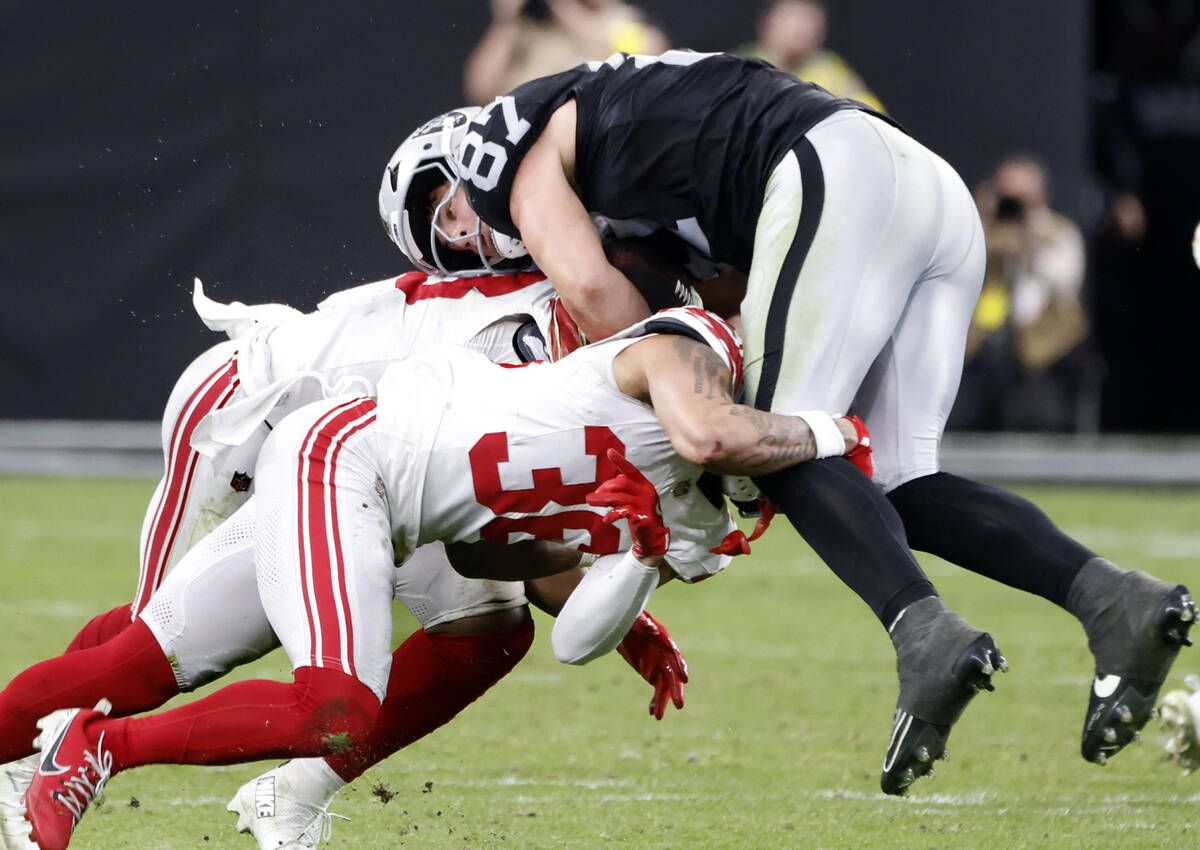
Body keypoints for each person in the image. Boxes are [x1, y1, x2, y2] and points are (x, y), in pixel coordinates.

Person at [379, 51, 1196, 794]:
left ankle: (927, 637)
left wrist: (660, 415)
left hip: (831, 168)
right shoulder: (629, 176)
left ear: (457, 158)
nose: (465, 235)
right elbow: (734, 287)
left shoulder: (506, 150)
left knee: (762, 443)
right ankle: (1116, 605)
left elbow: (601, 303)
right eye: (445, 244)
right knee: (896, 480)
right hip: (915, 187)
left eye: (444, 209)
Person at [21, 306, 870, 849]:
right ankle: (91, 747)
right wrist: (834, 431)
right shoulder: (688, 352)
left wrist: (637, 572)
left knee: (132, 665)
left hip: (400, 514)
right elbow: (712, 434)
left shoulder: (696, 511)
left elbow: (521, 589)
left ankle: (94, 750)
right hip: (346, 456)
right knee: (333, 711)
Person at [951, 154, 1097, 432]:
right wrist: (980, 220)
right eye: (1007, 197)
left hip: (1038, 364)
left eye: (1023, 200)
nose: (1013, 207)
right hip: (979, 360)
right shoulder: (978, 232)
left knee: (1034, 415)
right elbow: (956, 274)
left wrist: (1030, 244)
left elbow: (1065, 283)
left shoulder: (1059, 234)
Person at [463, 0, 668, 105]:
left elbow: (652, 53)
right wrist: (505, 21)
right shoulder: (528, 27)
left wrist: (564, 10)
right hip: (526, 137)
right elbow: (480, 89)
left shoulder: (620, 20)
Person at [736, 0, 884, 112]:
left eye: (808, 19)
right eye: (790, 17)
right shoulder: (742, 68)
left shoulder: (832, 73)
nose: (798, 29)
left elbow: (871, 116)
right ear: (767, 24)